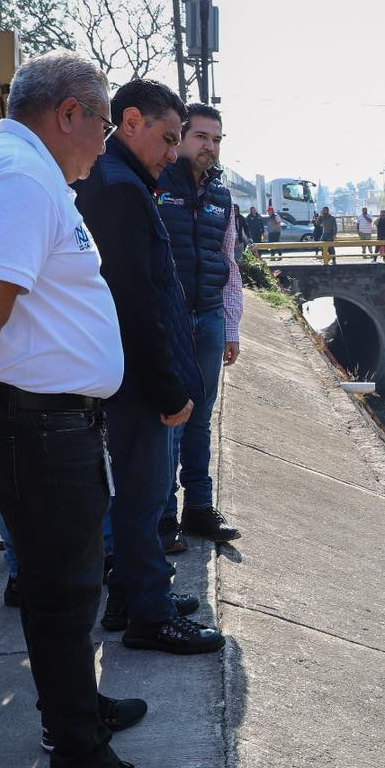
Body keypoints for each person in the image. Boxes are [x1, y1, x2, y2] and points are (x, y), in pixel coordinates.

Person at [0, 50, 175, 768]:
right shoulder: (19, 178)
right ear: (68, 113)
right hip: (30, 421)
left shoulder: (10, 167)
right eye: (99, 123)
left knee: (61, 586)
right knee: (65, 594)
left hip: (36, 417)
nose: (102, 144)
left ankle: (74, 713)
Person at [74, 79, 223, 656]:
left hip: (138, 372)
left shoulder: (125, 182)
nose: (171, 152)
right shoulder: (118, 189)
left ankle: (142, 591)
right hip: (139, 380)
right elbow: (135, 302)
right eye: (167, 139)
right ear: (129, 122)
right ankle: (150, 616)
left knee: (141, 496)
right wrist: (168, 389)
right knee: (142, 497)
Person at [156, 103, 244, 551]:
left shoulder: (221, 197)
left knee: (201, 417)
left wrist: (231, 328)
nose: (209, 146)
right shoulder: (154, 185)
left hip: (208, 318)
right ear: (180, 137)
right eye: (201, 137)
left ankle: (199, 509)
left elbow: (228, 262)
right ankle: (165, 516)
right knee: (170, 416)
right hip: (166, 322)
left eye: (216, 139)